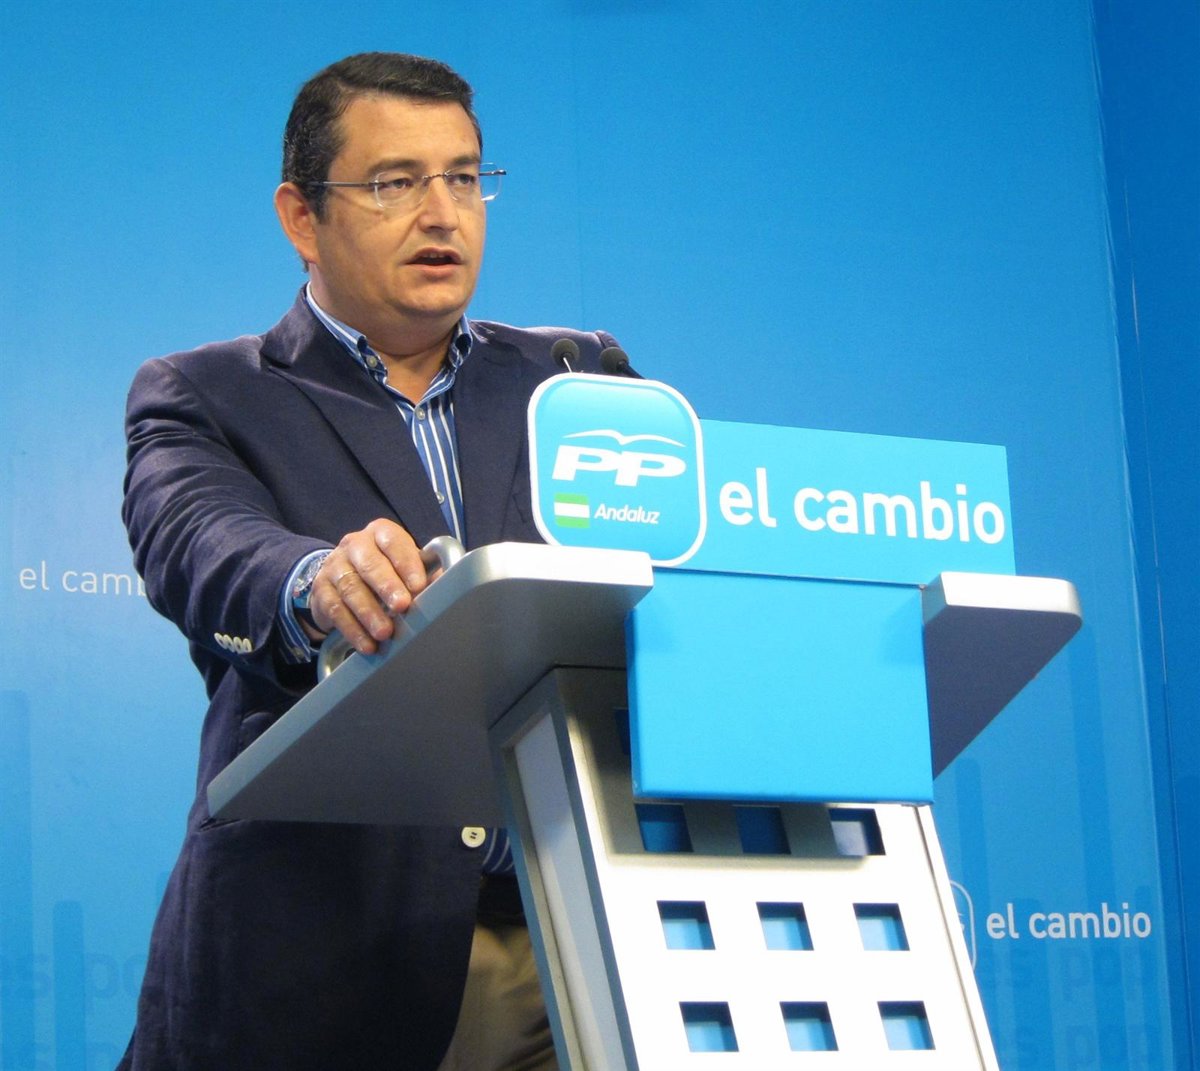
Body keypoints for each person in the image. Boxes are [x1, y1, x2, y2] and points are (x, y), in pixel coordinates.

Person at [120, 51, 617, 1071]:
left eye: (464, 177)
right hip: (329, 956)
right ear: (302, 218)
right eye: (395, 182)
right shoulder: (206, 392)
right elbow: (201, 542)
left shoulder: (579, 380)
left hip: (581, 934)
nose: (442, 213)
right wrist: (315, 583)